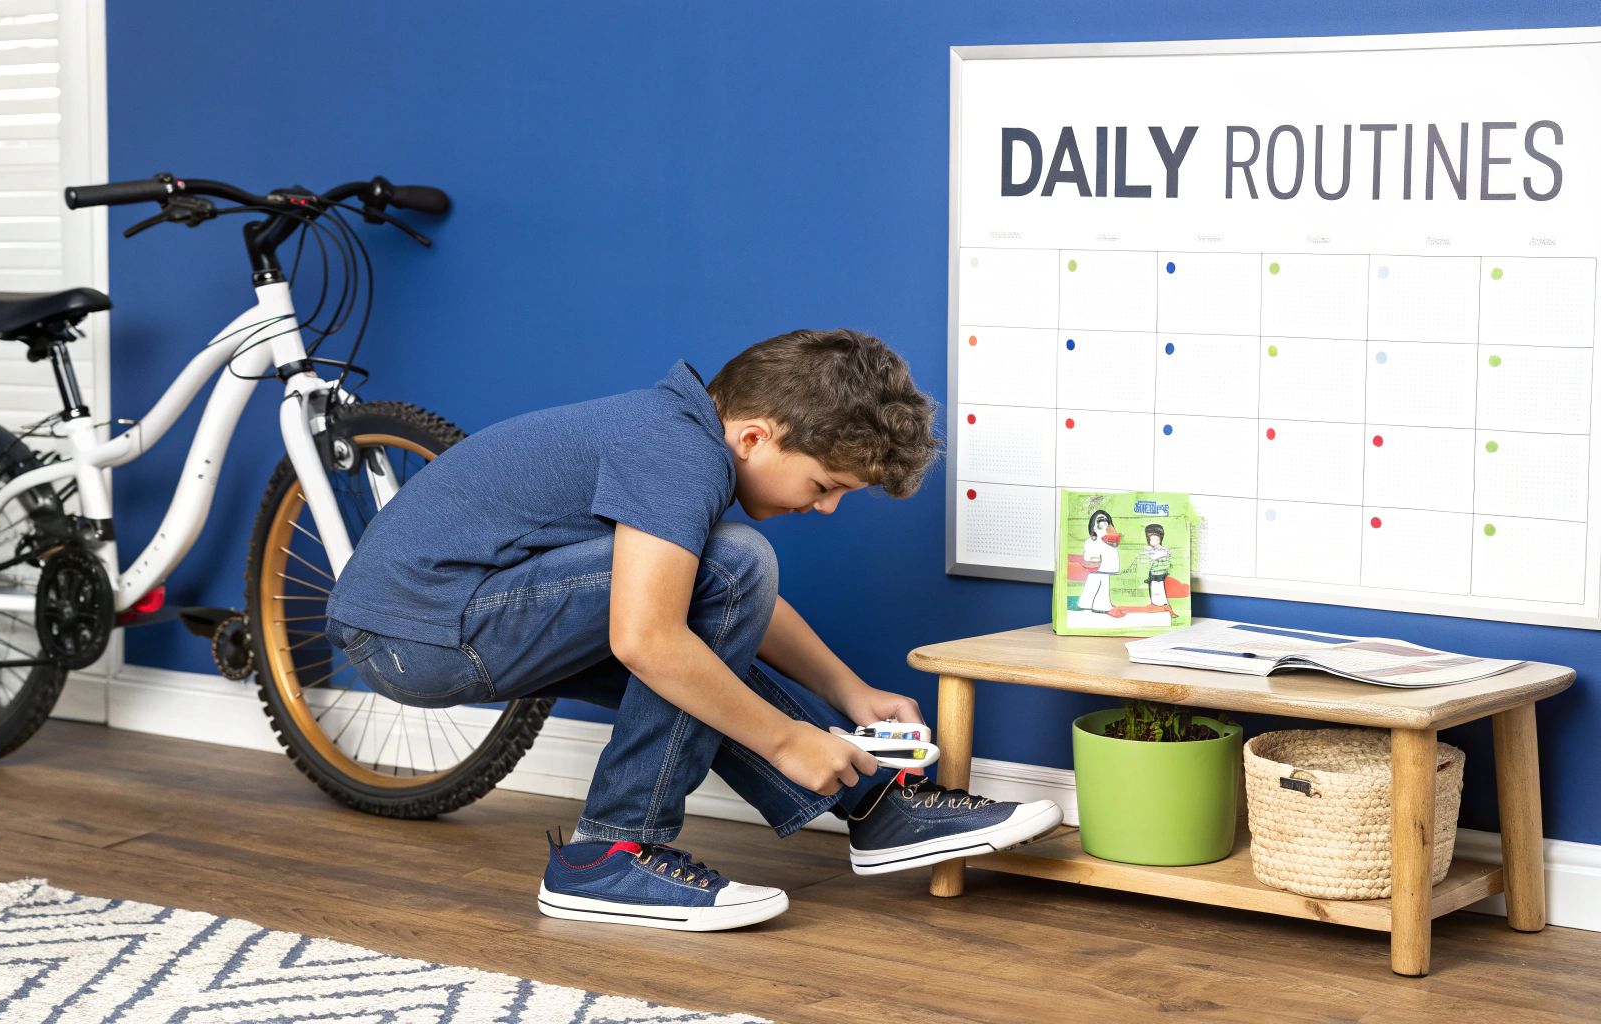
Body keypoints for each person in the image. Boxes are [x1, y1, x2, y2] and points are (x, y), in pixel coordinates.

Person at [324, 329, 1062, 932]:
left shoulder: (677, 434)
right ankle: (611, 854)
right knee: (732, 566)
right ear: (753, 437)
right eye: (826, 486)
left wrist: (849, 690)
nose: (828, 508)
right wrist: (785, 737)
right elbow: (648, 636)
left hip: (441, 621)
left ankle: (873, 808)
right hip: (418, 632)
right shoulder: (674, 449)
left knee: (710, 607)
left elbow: (700, 611)